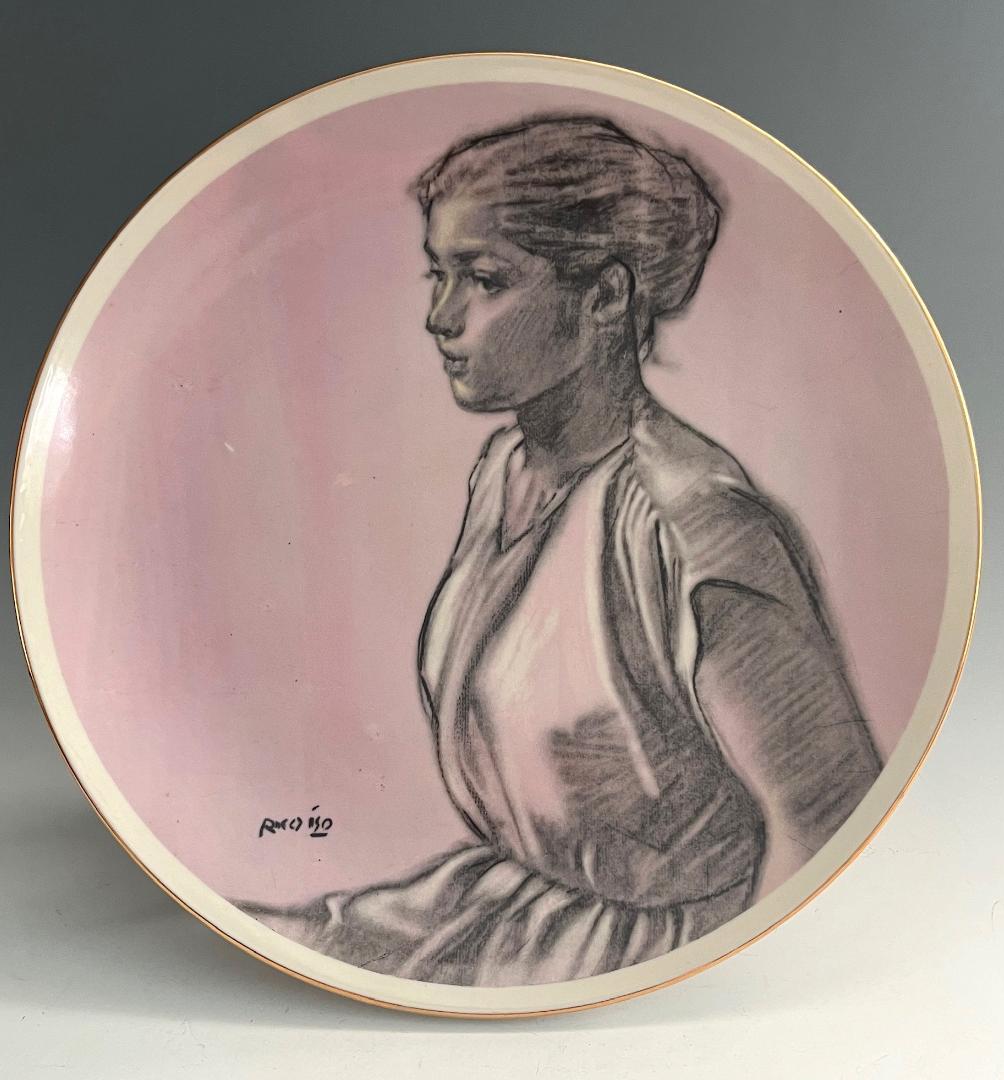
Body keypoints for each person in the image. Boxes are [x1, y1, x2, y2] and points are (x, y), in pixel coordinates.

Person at [236, 114, 883, 987]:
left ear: (606, 297)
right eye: (438, 274)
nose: (439, 317)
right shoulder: (506, 468)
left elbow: (826, 823)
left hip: (664, 955)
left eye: (484, 279)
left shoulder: (693, 523)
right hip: (517, 904)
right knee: (251, 943)